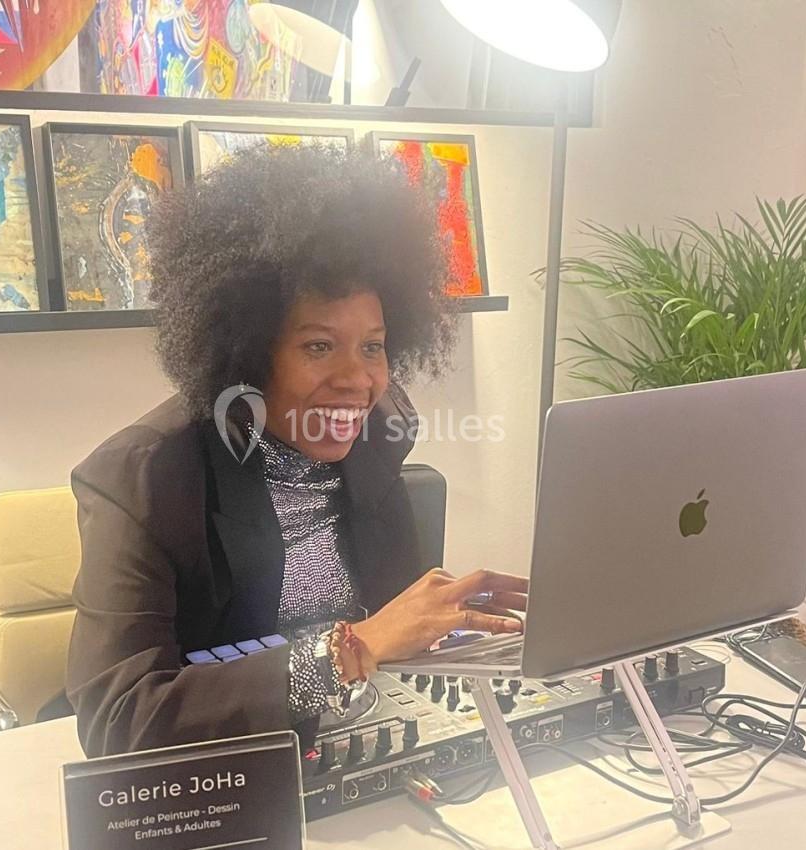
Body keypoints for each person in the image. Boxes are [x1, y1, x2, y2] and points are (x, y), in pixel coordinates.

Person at [65, 144, 528, 758]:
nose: (357, 380)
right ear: (249, 350)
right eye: (318, 347)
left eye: (372, 347)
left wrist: (459, 628)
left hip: (354, 762)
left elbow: (396, 622)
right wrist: (349, 652)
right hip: (224, 784)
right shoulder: (143, 479)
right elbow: (120, 718)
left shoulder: (377, 438)